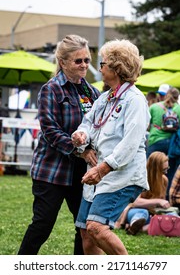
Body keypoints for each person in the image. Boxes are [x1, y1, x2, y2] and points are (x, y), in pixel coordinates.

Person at [18, 34, 100, 255]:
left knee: (83, 227)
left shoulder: (92, 92)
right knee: (42, 225)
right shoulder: (50, 89)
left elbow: (99, 126)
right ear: (63, 62)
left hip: (81, 174)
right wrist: (79, 150)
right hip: (51, 172)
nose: (84, 65)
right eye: (78, 61)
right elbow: (50, 130)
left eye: (86, 60)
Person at [71, 39, 150, 255]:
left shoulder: (135, 100)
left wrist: (102, 169)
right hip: (99, 176)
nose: (99, 68)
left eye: (103, 64)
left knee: (97, 228)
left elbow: (131, 143)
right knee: (86, 234)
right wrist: (81, 136)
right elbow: (89, 124)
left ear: (117, 67)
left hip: (121, 176)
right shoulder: (105, 98)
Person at [116, 151, 170, 235]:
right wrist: (158, 201)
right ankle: (136, 225)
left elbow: (161, 205)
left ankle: (140, 228)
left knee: (172, 216)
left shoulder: (164, 180)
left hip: (153, 214)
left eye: (167, 169)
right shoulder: (141, 178)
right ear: (155, 169)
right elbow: (135, 202)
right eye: (163, 170)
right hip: (135, 211)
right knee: (142, 213)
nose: (166, 172)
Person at [146, 87, 180, 197]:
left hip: (155, 142)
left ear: (166, 95)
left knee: (150, 171)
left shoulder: (154, 107)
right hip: (171, 145)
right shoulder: (179, 108)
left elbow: (146, 125)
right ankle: (166, 198)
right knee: (170, 173)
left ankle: (149, 195)